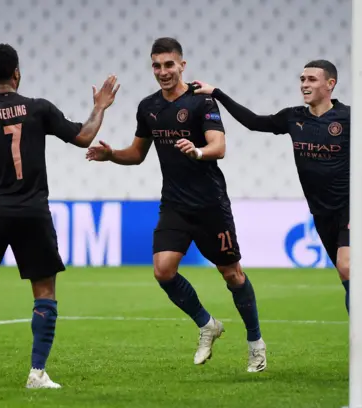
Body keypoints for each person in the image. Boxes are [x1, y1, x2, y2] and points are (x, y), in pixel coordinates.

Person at [193, 59, 362, 353]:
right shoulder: (293, 118)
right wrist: (218, 93)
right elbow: (253, 122)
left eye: (312, 79)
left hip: (354, 206)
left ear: (330, 84)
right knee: (351, 278)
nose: (304, 84)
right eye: (302, 79)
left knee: (347, 267)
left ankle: (359, 352)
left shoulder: (351, 118)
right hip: (322, 213)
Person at [0, 43, 120, 388]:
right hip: (33, 211)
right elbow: (84, 136)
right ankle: (37, 373)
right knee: (44, 291)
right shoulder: (38, 109)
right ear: (17, 72)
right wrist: (99, 106)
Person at [86, 37, 267, 372]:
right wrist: (111, 155)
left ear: (182, 65)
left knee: (232, 274)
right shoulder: (148, 107)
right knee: (163, 269)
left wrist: (197, 151)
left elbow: (219, 146)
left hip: (210, 204)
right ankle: (207, 324)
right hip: (174, 204)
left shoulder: (201, 102)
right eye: (156, 65)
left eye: (169, 64)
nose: (163, 71)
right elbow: (137, 154)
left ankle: (255, 343)